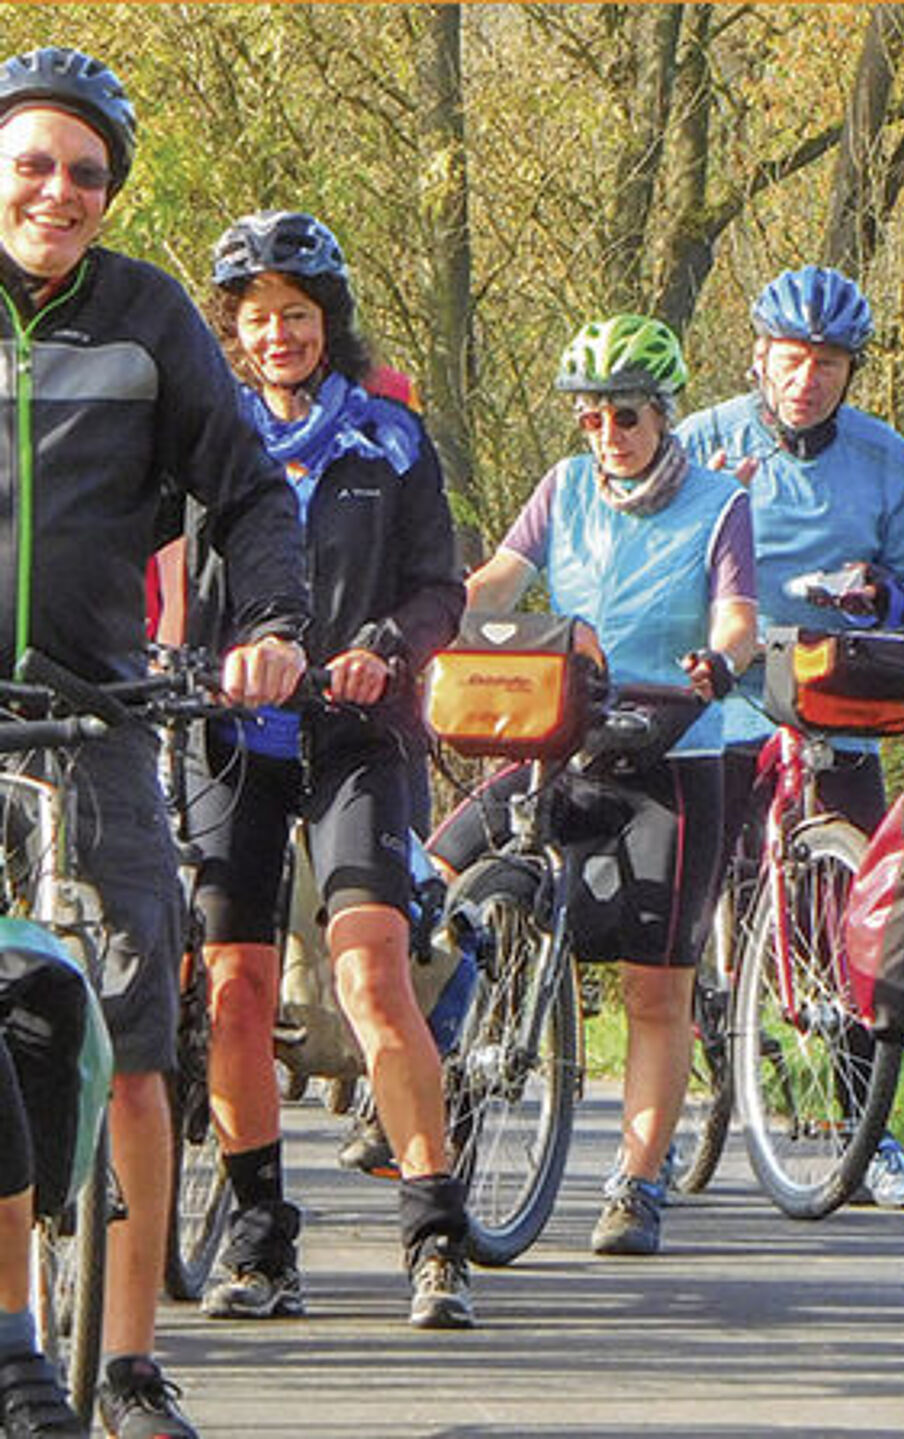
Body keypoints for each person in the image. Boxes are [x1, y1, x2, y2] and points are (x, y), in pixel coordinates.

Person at [0, 47, 310, 1439]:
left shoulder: (151, 319)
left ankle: (126, 1360)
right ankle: (13, 1344)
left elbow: (246, 495)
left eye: (84, 172)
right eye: (33, 162)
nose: (57, 191)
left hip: (104, 720)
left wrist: (277, 626)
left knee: (135, 1045)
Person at [187, 209, 474, 1329]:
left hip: (358, 738)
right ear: (234, 329)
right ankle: (259, 1240)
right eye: (255, 318)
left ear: (328, 321)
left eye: (295, 316)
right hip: (233, 740)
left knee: (368, 974)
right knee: (235, 993)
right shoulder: (207, 436)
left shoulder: (390, 437)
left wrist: (382, 651)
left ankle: (432, 1232)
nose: (275, 336)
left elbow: (437, 584)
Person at [450, 313, 757, 1255]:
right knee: (437, 872)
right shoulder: (563, 488)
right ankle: (426, 1074)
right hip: (566, 732)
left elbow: (739, 615)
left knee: (652, 988)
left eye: (624, 415)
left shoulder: (715, 504)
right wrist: (428, 612)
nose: (607, 436)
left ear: (662, 414)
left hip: (673, 751)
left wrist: (717, 660)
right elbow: (501, 577)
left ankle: (635, 1181)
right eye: (589, 418)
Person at [677, 263, 904, 1210]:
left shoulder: (883, 458)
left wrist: (882, 593)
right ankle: (683, 1108)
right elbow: (655, 547)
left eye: (827, 363)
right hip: (723, 695)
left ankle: (865, 1135)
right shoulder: (702, 440)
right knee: (696, 887)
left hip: (832, 692)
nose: (807, 379)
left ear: (849, 370)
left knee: (861, 913)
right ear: (760, 358)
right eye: (792, 360)